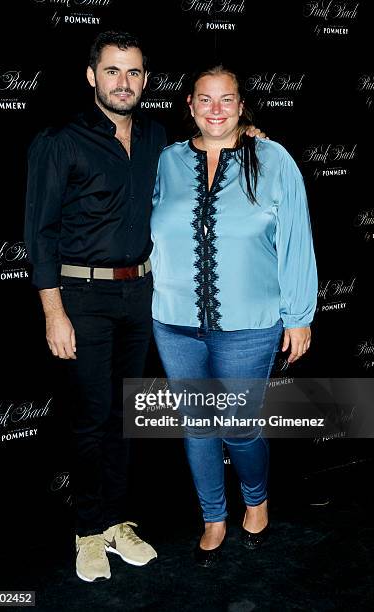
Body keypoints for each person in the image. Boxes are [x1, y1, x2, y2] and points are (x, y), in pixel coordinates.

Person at [24, 31, 269, 582]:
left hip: (142, 296)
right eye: (112, 71)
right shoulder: (59, 140)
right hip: (81, 297)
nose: (123, 82)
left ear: (145, 81)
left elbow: (212, 142)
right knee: (90, 418)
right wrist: (53, 312)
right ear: (92, 77)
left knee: (120, 418)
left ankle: (115, 521)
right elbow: (38, 234)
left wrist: (246, 132)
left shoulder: (160, 137)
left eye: (133, 73)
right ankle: (89, 530)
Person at [150, 65, 318, 567]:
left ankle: (256, 499)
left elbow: (295, 238)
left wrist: (299, 314)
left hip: (251, 323)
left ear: (242, 106)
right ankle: (213, 516)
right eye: (206, 100)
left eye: (227, 100)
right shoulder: (165, 161)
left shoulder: (273, 159)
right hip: (175, 321)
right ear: (191, 105)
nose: (216, 109)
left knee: (240, 426)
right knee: (197, 426)